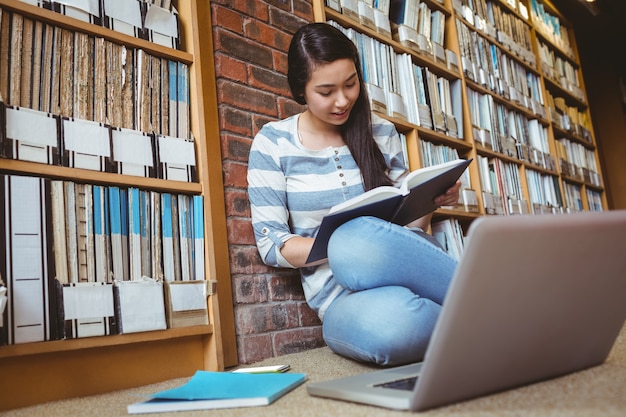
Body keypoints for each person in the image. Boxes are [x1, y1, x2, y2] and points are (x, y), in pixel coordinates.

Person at [247, 22, 461, 366]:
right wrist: (342, 245)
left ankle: (492, 309)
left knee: (361, 239)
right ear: (300, 90)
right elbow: (272, 245)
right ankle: (480, 315)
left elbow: (411, 229)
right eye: (326, 91)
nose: (343, 100)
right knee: (397, 324)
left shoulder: (381, 132)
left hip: (402, 270)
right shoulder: (274, 143)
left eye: (351, 84)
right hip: (339, 300)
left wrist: (431, 200)